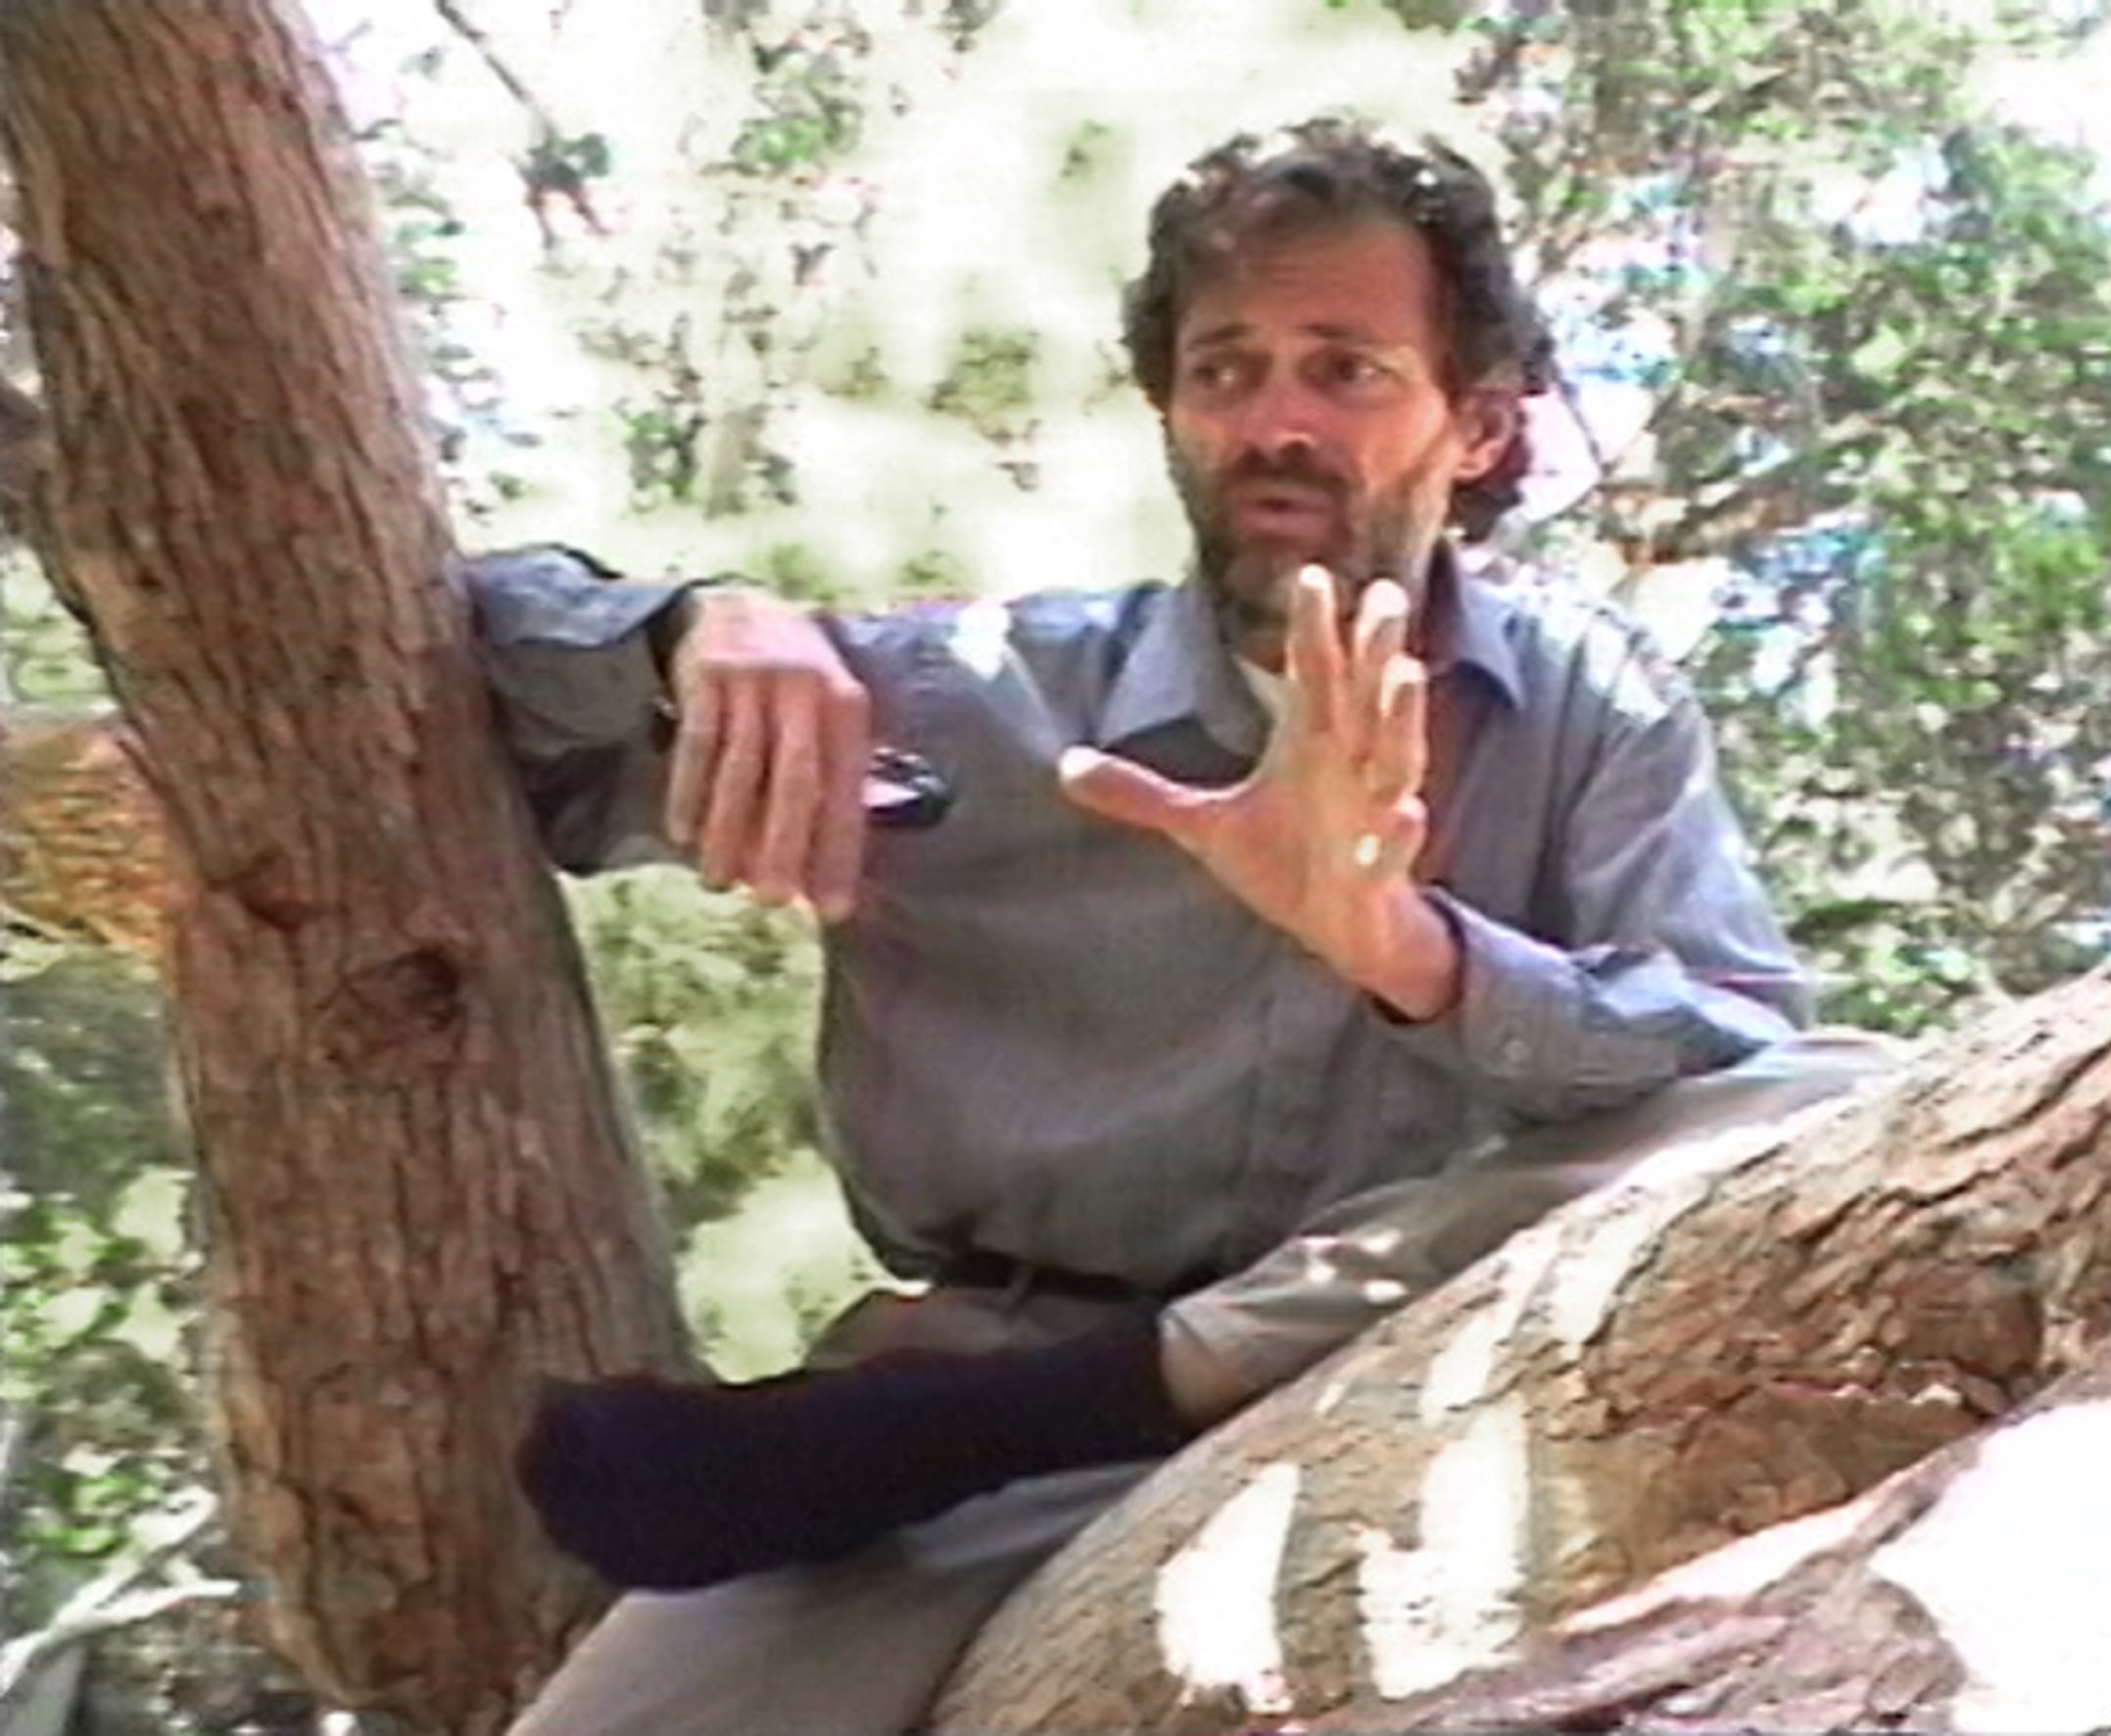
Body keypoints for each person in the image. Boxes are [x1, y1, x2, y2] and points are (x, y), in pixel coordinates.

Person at [470, 115, 1893, 1735]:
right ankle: (1076, 1396)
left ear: (1481, 424)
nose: (1275, 423)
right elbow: (456, 678)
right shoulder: (983, 704)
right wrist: (687, 626)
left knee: (1835, 1088)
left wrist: (1410, 954)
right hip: (957, 1435)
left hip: (1426, 1381)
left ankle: (1144, 1377)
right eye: (1226, 370)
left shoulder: (1589, 709)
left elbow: (1746, 1061)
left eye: (1345, 369)